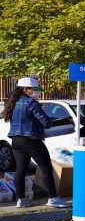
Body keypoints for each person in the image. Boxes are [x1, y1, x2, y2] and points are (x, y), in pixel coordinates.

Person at [1, 77, 68, 208]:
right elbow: (46, 122)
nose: (37, 92)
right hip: (32, 140)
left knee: (20, 170)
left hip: (16, 140)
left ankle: (21, 199)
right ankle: (53, 198)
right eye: (35, 89)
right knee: (46, 168)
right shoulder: (31, 102)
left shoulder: (11, 103)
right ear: (25, 89)